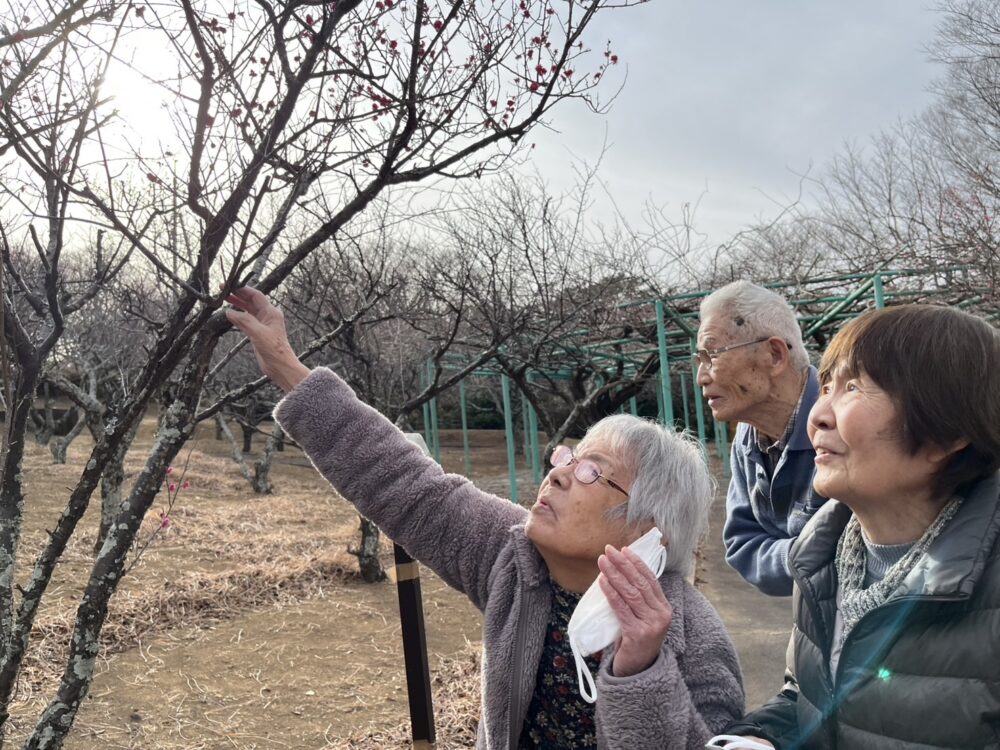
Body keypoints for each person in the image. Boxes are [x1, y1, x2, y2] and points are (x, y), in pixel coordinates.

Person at [225, 287, 745, 749]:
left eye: (592, 471)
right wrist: (287, 368)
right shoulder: (511, 555)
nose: (558, 474)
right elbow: (408, 486)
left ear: (646, 528)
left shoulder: (693, 634)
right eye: (567, 457)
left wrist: (642, 671)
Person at [715, 304, 1000, 748]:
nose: (818, 416)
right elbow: (811, 698)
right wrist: (758, 738)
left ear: (947, 433)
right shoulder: (821, 557)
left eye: (854, 387)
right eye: (825, 387)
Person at [697, 281, 826, 596]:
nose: (701, 376)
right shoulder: (747, 434)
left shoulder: (845, 423)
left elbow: (869, 549)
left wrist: (789, 555)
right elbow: (743, 544)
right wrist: (808, 557)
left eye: (711, 355)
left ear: (774, 354)